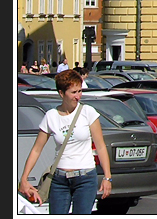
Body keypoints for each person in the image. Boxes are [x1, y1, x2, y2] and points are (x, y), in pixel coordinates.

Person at [18, 69, 113, 214]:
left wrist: (107, 177)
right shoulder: (51, 116)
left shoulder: (88, 112)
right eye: (73, 92)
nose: (78, 96)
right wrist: (24, 179)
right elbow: (37, 149)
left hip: (85, 178)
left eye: (80, 91)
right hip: (59, 179)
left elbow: (100, 146)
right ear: (61, 93)